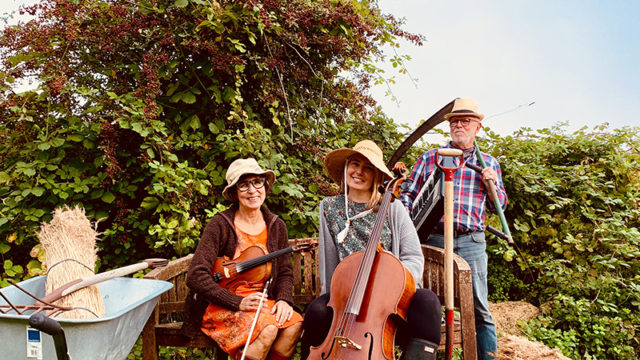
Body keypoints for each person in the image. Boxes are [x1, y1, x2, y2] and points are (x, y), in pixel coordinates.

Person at [300, 140, 442, 360]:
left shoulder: (392, 207)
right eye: (354, 164)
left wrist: (392, 285)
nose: (359, 171)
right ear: (346, 168)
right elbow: (329, 263)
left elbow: (413, 257)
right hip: (347, 295)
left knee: (428, 302)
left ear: (376, 175)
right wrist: (331, 299)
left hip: (389, 297)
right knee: (317, 312)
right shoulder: (328, 207)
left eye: (367, 167)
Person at [400, 98, 507, 360]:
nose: (459, 124)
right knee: (428, 304)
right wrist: (403, 219)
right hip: (433, 239)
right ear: (449, 127)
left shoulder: (489, 163)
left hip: (471, 241)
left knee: (478, 309)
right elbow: (408, 195)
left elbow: (501, 206)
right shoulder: (430, 158)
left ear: (477, 127)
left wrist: (491, 185)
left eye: (466, 120)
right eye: (454, 121)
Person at [182, 158, 303, 360]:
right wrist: (236, 302)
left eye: (257, 182)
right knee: (269, 329)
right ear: (234, 192)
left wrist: (283, 299)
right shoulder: (220, 224)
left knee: (294, 324)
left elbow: (284, 272)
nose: (252, 190)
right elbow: (195, 276)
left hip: (262, 303)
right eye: (243, 185)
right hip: (223, 304)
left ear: (265, 185)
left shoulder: (276, 225)